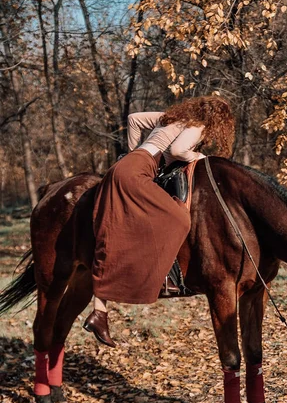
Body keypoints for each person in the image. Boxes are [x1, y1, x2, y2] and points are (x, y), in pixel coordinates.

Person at [83, 95, 235, 347]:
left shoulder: (173, 117)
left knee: (115, 234)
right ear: (217, 119)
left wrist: (132, 153)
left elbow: (133, 120)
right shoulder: (198, 125)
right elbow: (177, 151)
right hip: (137, 172)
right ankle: (164, 274)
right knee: (178, 218)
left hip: (125, 168)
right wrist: (200, 157)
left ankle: (99, 312)